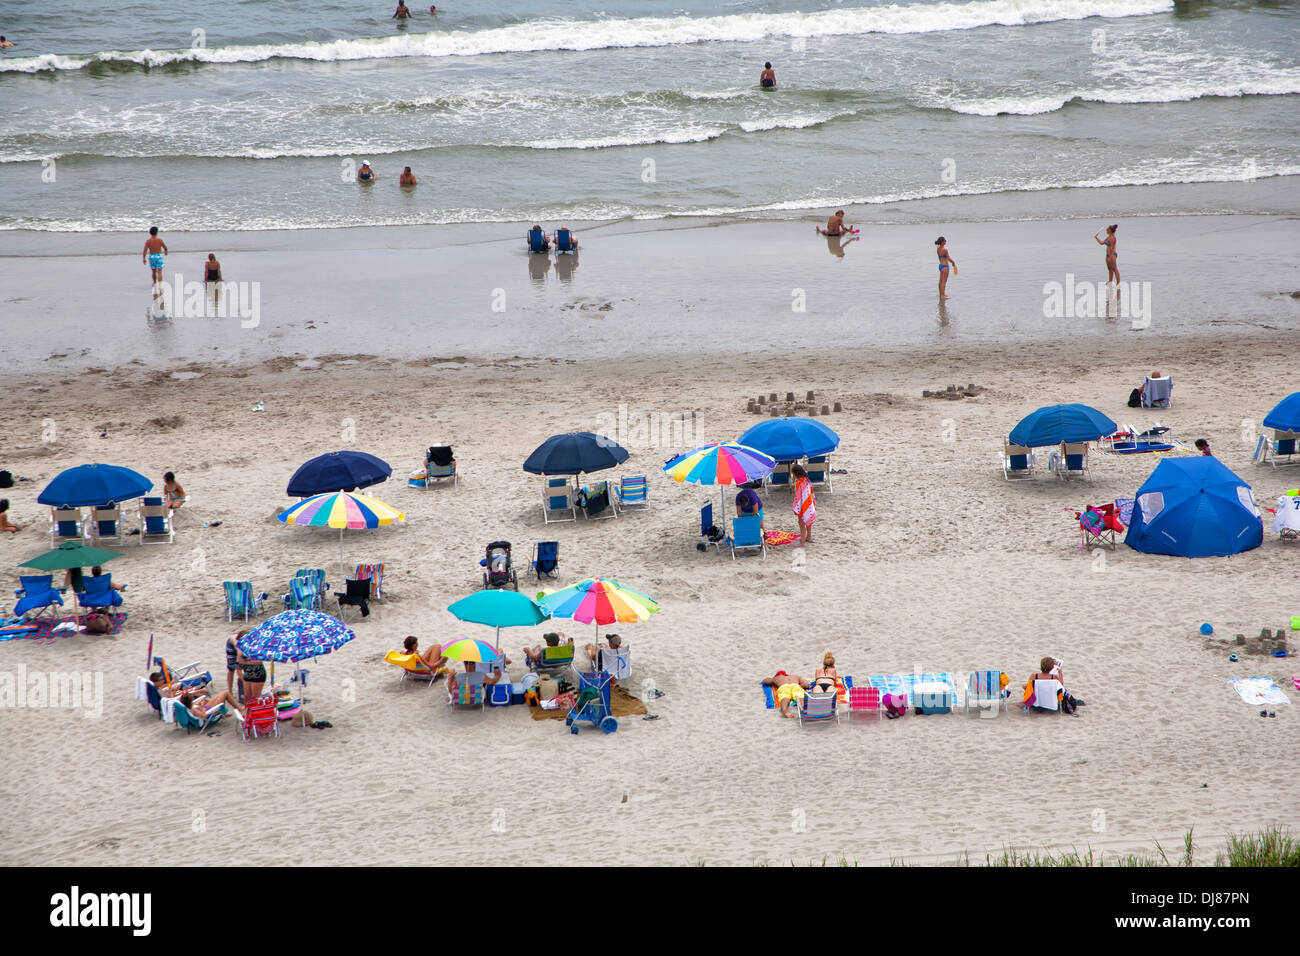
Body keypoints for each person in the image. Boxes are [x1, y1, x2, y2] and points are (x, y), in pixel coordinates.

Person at [791, 463, 816, 546]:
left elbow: (798, 497)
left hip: (803, 506)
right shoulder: (807, 480)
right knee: (808, 522)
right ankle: (809, 537)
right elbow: (811, 492)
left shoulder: (799, 483)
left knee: (801, 524)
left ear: (795, 474)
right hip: (809, 504)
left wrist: (796, 507)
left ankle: (802, 543)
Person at [178, 690, 244, 720]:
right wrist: (202, 706)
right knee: (225, 693)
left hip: (207, 707)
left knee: (220, 694)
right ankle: (238, 709)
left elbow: (195, 708)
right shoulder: (192, 709)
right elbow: (204, 715)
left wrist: (199, 704)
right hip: (210, 711)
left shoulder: (186, 706)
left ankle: (224, 712)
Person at [226, 631, 247, 699]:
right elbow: (238, 666)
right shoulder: (237, 644)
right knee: (231, 669)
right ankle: (230, 691)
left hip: (239, 649)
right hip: (231, 646)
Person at [935, 236, 956, 300]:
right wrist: (953, 262)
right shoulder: (944, 250)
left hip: (940, 266)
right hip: (945, 267)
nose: (945, 242)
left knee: (940, 281)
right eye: (945, 241)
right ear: (942, 242)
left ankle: (941, 294)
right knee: (944, 282)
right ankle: (942, 295)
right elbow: (948, 258)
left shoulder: (938, 249)